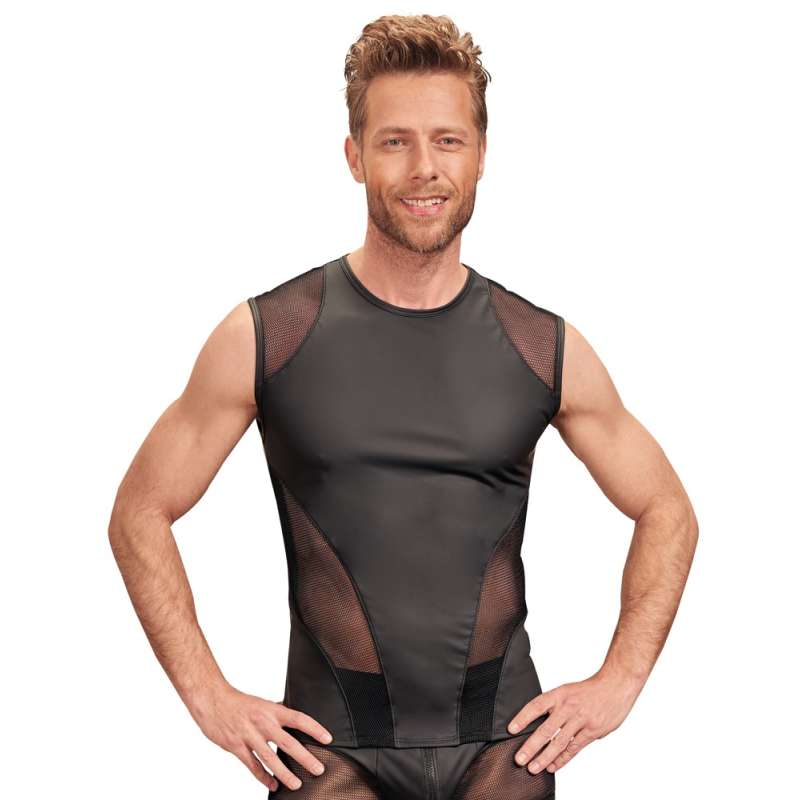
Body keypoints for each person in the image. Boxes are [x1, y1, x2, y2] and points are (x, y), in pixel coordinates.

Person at [108, 14, 698, 799]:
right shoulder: (268, 335)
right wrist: (209, 698)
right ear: (355, 156)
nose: (425, 168)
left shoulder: (541, 345)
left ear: (481, 154)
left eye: (448, 140)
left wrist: (619, 681)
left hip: (505, 756)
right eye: (395, 141)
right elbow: (140, 511)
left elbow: (666, 509)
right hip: (328, 756)